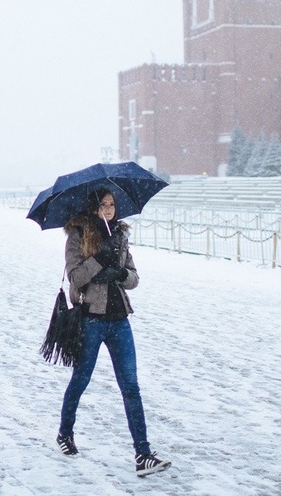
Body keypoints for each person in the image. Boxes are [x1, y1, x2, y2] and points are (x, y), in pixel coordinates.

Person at [56, 188, 170, 477]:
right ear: (93, 207)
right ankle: (65, 433)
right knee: (81, 379)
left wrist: (120, 274)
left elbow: (133, 276)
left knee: (131, 386)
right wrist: (100, 259)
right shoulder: (78, 235)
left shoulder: (119, 233)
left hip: (119, 319)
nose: (109, 209)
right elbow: (75, 277)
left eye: (112, 205)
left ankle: (142, 453)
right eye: (103, 205)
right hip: (91, 319)